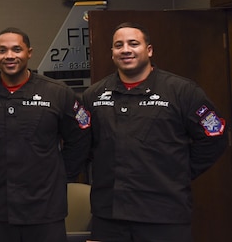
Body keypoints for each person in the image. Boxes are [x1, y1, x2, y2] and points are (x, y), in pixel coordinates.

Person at [83, 22, 227, 242]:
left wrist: (179, 171)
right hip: (110, 214)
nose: (126, 50)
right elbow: (85, 144)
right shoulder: (94, 95)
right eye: (118, 45)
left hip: (164, 212)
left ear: (148, 50)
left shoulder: (181, 91)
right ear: (112, 53)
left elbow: (214, 137)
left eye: (133, 43)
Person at [0, 27, 90, 242]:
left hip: (45, 208)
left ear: (29, 52)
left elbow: (81, 138)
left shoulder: (57, 92)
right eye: (2, 50)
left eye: (16, 49)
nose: (9, 56)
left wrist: (60, 175)